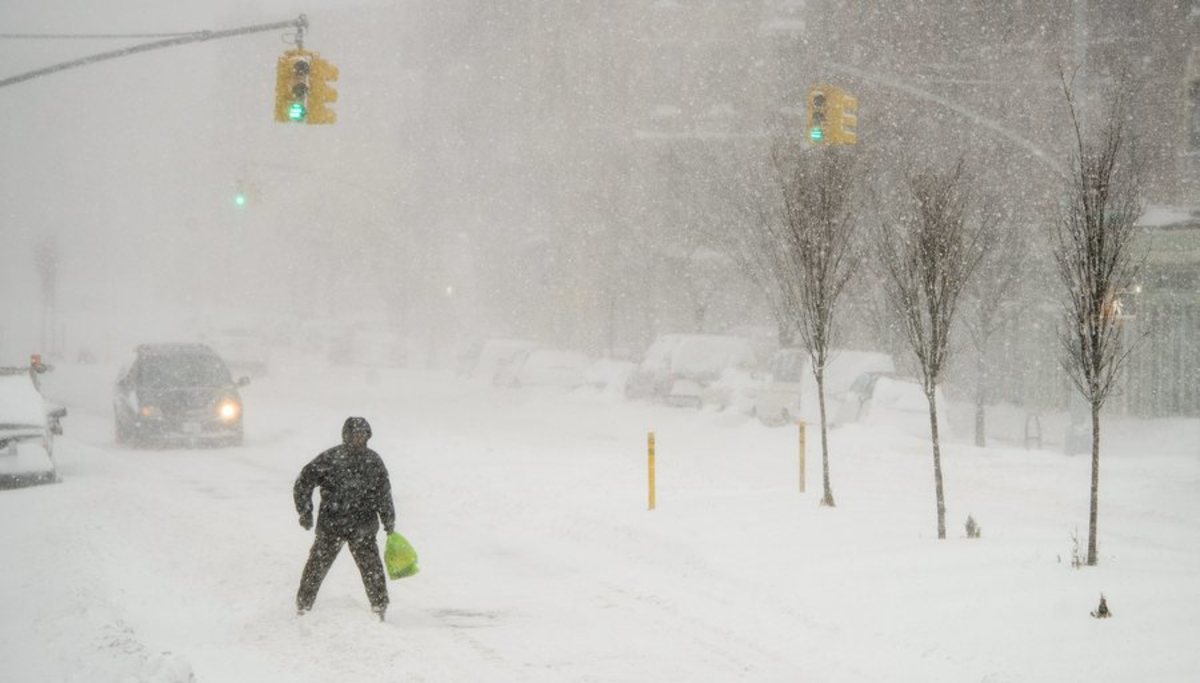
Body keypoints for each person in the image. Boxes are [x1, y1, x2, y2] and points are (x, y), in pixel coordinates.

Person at [294, 416, 396, 621]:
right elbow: (304, 481)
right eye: (355, 435)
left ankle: (379, 608)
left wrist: (388, 520)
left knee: (372, 568)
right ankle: (303, 606)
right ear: (346, 436)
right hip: (333, 525)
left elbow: (383, 493)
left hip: (364, 526)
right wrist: (305, 511)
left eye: (363, 435)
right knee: (317, 566)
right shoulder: (331, 458)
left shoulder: (373, 461)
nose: (359, 439)